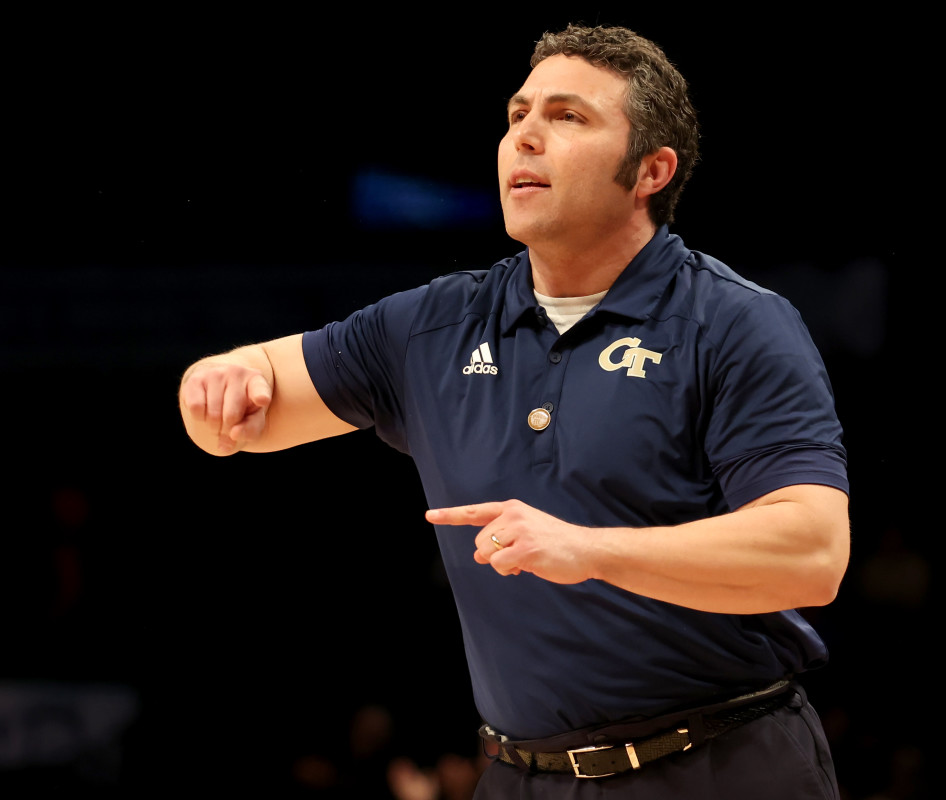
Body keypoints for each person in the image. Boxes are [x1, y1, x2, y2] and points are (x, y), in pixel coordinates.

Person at [178, 23, 850, 799]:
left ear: (652, 171)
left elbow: (812, 552)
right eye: (517, 115)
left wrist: (592, 551)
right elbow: (251, 404)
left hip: (725, 764)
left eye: (568, 117)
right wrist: (217, 382)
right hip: (520, 777)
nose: (525, 136)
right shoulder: (435, 325)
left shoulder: (733, 323)